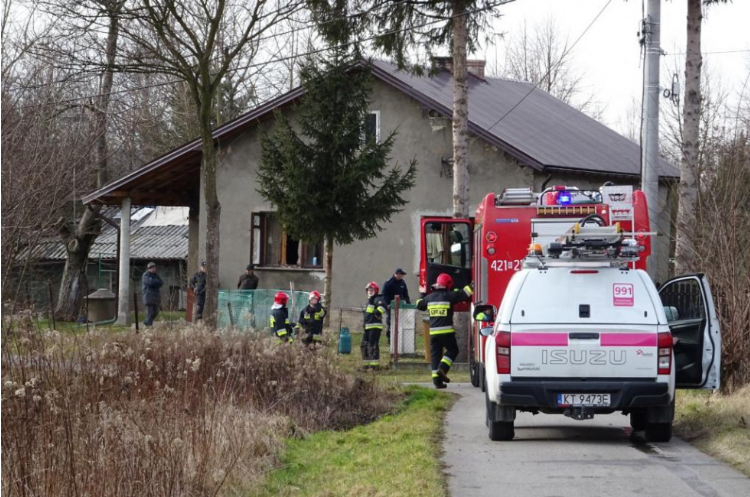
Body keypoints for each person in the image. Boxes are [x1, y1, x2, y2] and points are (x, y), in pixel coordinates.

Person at [416, 273, 473, 389]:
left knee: (435, 356)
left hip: (433, 333)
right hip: (446, 332)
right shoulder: (449, 295)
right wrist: (472, 285)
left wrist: (422, 294)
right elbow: (464, 294)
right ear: (447, 284)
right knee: (452, 350)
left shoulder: (429, 298)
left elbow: (419, 305)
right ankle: (443, 368)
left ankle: (437, 382)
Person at [381, 268, 411, 345]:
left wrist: (408, 304)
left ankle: (399, 339)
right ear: (397, 274)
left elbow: (405, 295)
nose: (402, 276)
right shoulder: (389, 283)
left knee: (401, 323)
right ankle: (390, 340)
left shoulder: (402, 283)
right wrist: (387, 304)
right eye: (401, 275)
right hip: (391, 306)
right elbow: (384, 295)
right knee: (391, 323)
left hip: (401, 307)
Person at [361, 282, 387, 368]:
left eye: (371, 290)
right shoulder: (370, 301)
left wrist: (377, 312)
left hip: (375, 327)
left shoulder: (377, 298)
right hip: (368, 327)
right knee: (364, 345)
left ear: (375, 290)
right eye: (368, 290)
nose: (369, 291)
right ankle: (366, 364)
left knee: (372, 345)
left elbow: (383, 306)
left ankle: (374, 366)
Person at [142, 262, 163, 327]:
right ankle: (148, 325)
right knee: (150, 312)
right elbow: (150, 282)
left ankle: (147, 322)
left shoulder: (156, 275)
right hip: (148, 296)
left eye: (154, 268)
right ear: (149, 269)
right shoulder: (146, 275)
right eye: (152, 268)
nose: (154, 269)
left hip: (155, 296)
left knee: (156, 311)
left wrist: (155, 281)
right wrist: (155, 282)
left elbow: (161, 282)